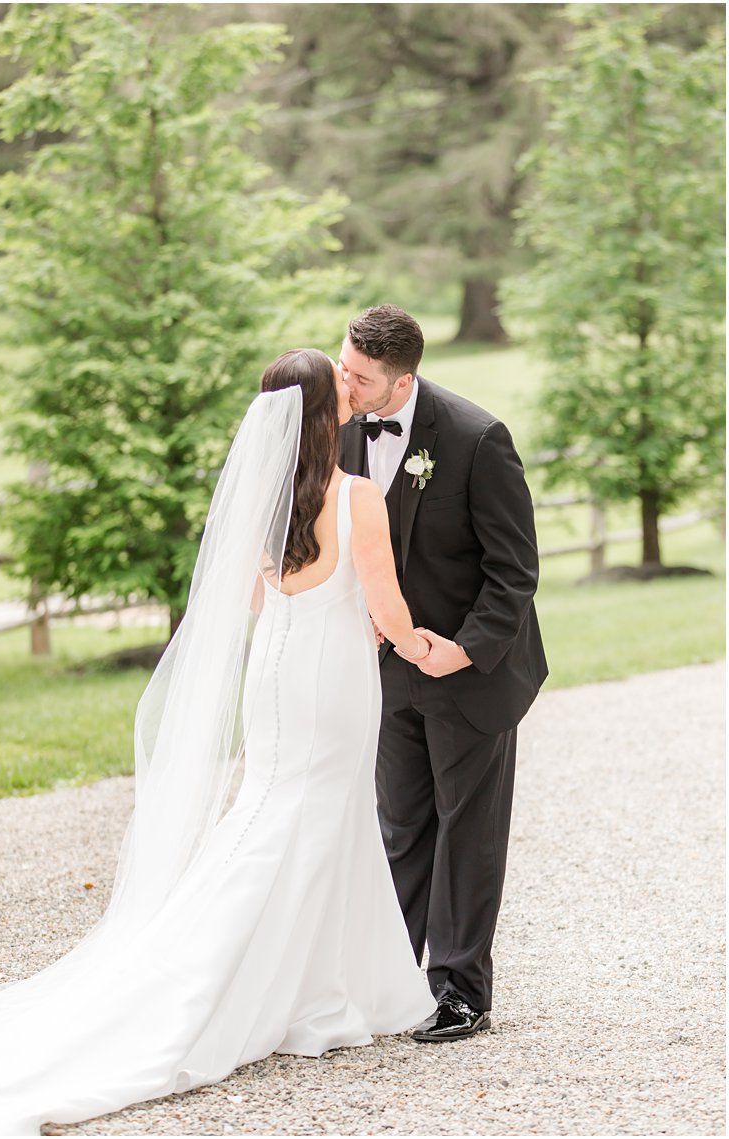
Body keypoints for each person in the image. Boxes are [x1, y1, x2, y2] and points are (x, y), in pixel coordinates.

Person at [0, 349, 438, 1135]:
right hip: (333, 684)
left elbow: (254, 596)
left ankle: (314, 986)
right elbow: (388, 611)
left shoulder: (267, 498)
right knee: (317, 819)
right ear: (326, 412)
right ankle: (279, 987)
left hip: (275, 675)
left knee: (276, 810)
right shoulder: (357, 497)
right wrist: (430, 648)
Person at [337, 304, 545, 1041]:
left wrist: (461, 648)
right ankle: (396, 983)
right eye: (345, 365)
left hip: (469, 669)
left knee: (468, 830)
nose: (346, 382)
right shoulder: (338, 428)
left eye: (361, 376)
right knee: (401, 824)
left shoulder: (474, 438)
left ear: (403, 380)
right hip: (388, 670)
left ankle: (461, 991)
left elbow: (515, 572)